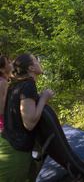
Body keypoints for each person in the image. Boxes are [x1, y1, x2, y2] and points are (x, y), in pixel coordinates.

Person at [0, 52, 54, 182]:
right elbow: (29, 123)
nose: (39, 63)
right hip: (14, 152)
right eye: (36, 61)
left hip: (10, 144)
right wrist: (43, 99)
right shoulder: (28, 85)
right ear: (31, 68)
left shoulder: (17, 85)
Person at [0, 55, 13, 132]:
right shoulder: (3, 83)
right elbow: (1, 111)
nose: (12, 62)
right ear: (2, 69)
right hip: (3, 128)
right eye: (8, 62)